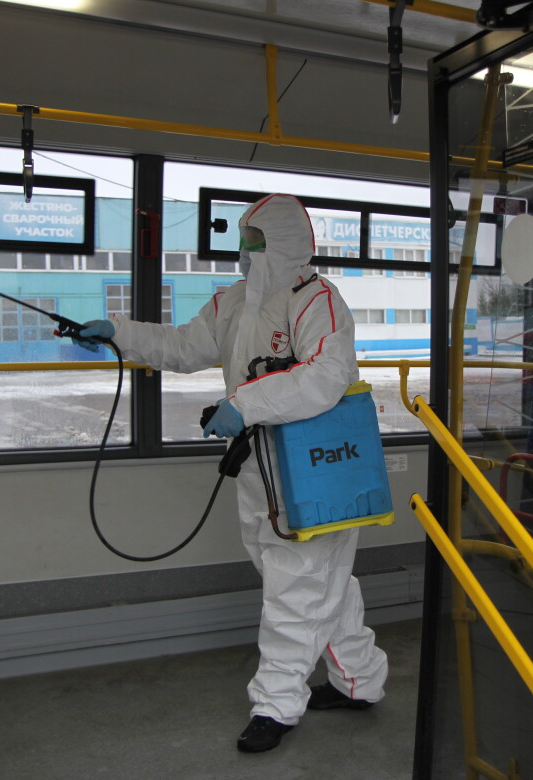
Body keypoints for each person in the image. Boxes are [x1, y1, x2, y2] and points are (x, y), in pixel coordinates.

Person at [73, 194, 388, 753]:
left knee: (296, 591)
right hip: (260, 472)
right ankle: (359, 680)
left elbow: (328, 374)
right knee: (313, 582)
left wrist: (246, 403)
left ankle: (276, 705)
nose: (245, 253)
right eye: (243, 242)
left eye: (256, 243)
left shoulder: (317, 301)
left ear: (285, 245)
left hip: (317, 470)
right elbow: (181, 346)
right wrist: (118, 333)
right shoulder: (235, 302)